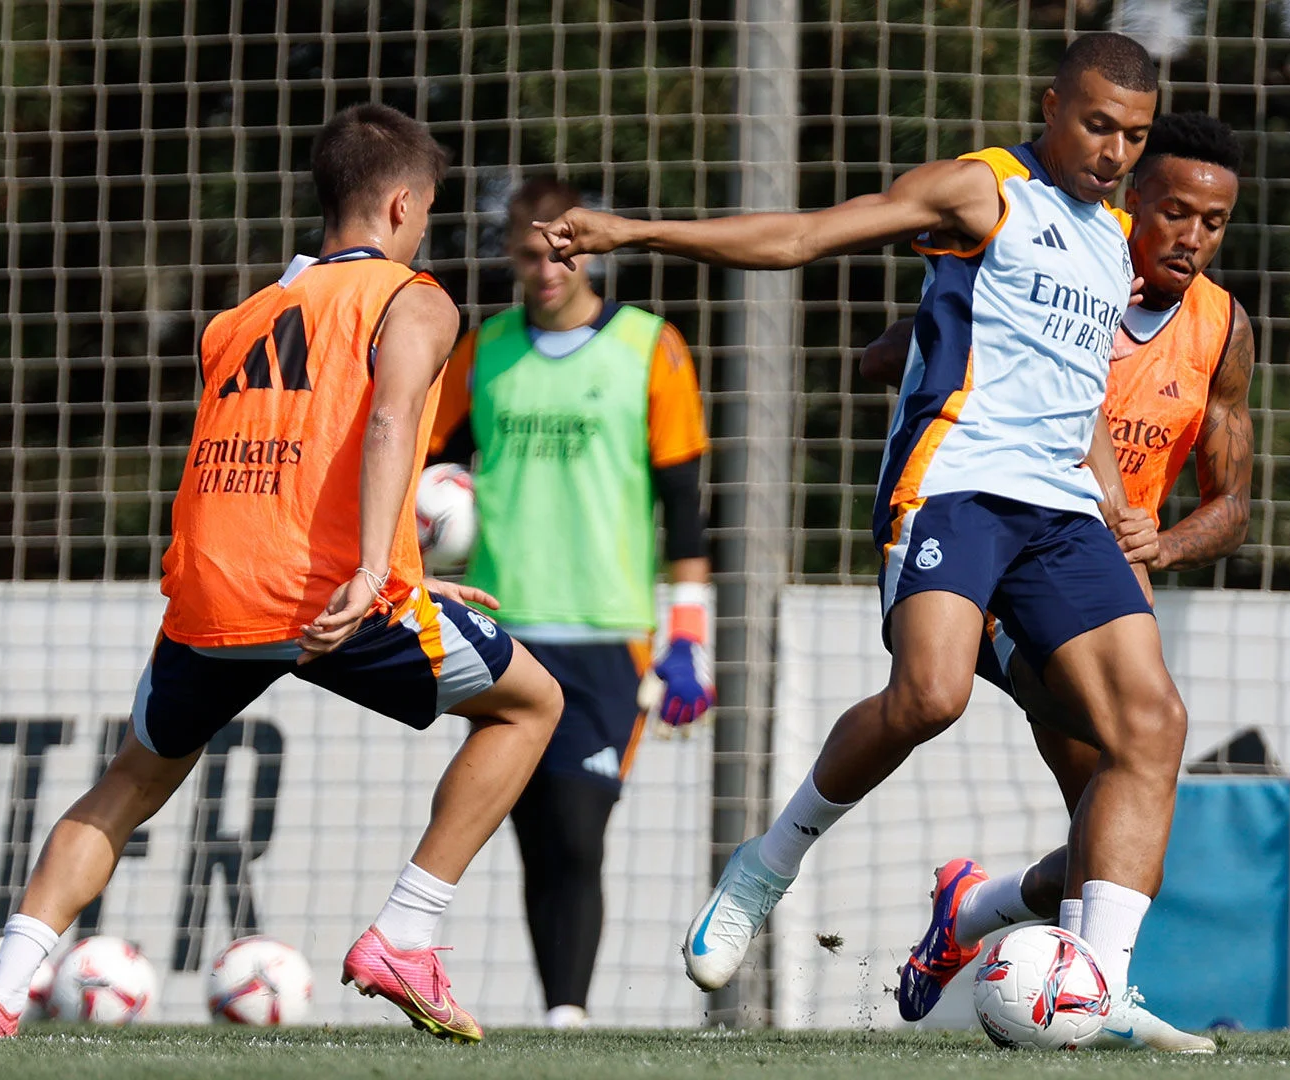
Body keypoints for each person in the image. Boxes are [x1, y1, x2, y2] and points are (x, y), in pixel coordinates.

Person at [534, 33, 1189, 1038]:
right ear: (1052, 105)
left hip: (1060, 510)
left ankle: (1093, 985)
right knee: (932, 694)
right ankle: (765, 868)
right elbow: (802, 236)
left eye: (1132, 136)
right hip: (959, 485)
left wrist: (1110, 497)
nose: (1112, 150)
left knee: (1150, 728)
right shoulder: (982, 191)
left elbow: (1076, 391)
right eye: (1097, 124)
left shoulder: (1111, 237)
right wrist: (633, 231)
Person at [0, 103, 563, 1043]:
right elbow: (392, 422)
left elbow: (289, 455)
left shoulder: (237, 319)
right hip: (329, 599)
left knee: (126, 783)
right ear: (403, 204)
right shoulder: (416, 299)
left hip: (212, 594)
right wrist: (375, 573)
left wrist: (402, 569)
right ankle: (407, 933)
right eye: (431, 208)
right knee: (532, 705)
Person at [870, 112, 1253, 1052]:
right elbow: (890, 356)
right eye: (1174, 213)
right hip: (1000, 556)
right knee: (1111, 753)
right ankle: (1083, 990)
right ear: (1134, 202)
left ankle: (988, 920)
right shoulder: (1063, 256)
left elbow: (1236, 501)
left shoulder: (1223, 328)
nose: (1192, 237)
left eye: (1213, 222)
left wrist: (1160, 544)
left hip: (1103, 572)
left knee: (1113, 793)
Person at [423, 177, 715, 1029]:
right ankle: (564, 1016)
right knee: (529, 832)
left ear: (590, 251)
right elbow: (423, 470)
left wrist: (687, 638)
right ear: (509, 257)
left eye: (564, 252)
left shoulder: (650, 347)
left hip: (608, 634)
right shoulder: (486, 353)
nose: (547, 269)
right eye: (528, 254)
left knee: (579, 831)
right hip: (503, 627)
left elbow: (685, 506)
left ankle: (568, 1013)